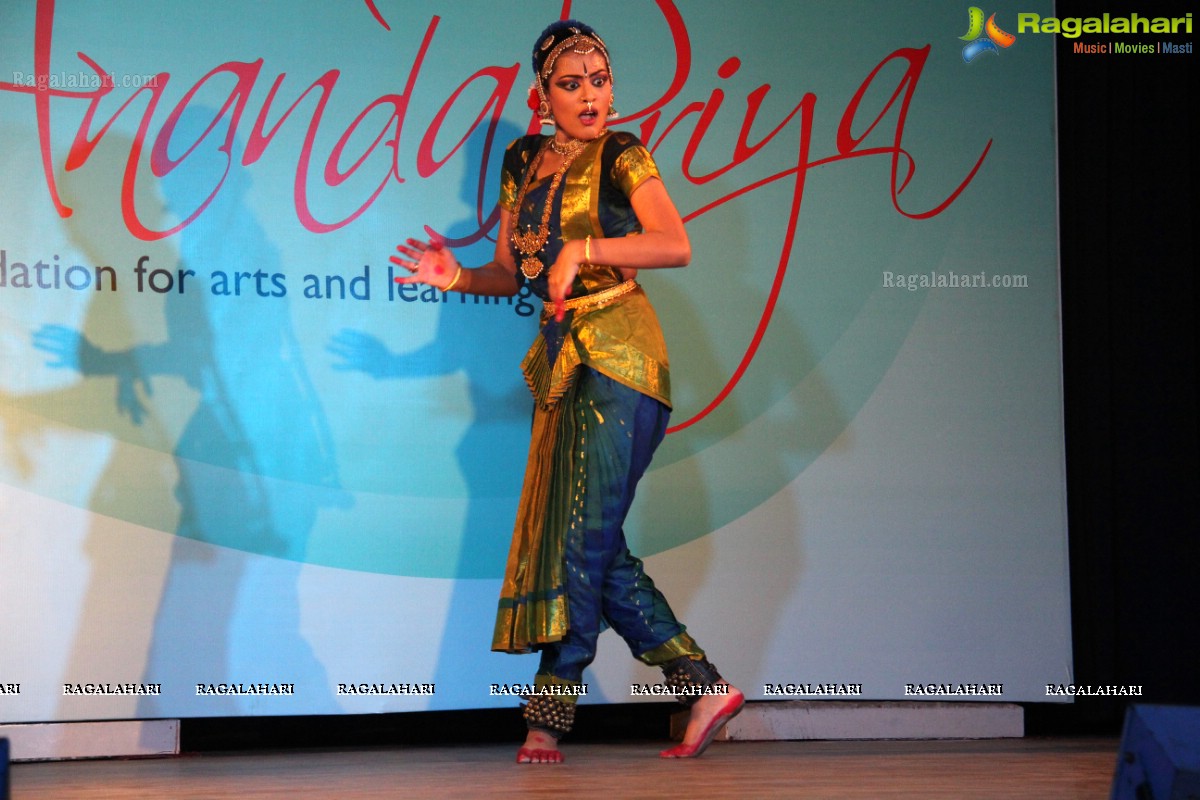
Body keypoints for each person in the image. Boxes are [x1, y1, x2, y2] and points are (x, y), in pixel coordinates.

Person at [391, 19, 744, 763]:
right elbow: (508, 272)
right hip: (559, 366)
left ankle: (550, 714)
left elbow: (673, 243)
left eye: (600, 80)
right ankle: (699, 681)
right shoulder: (524, 160)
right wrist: (453, 277)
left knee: (580, 538)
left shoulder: (623, 153)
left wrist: (586, 248)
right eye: (571, 83)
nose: (591, 96)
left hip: (621, 356)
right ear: (540, 95)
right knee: (584, 539)